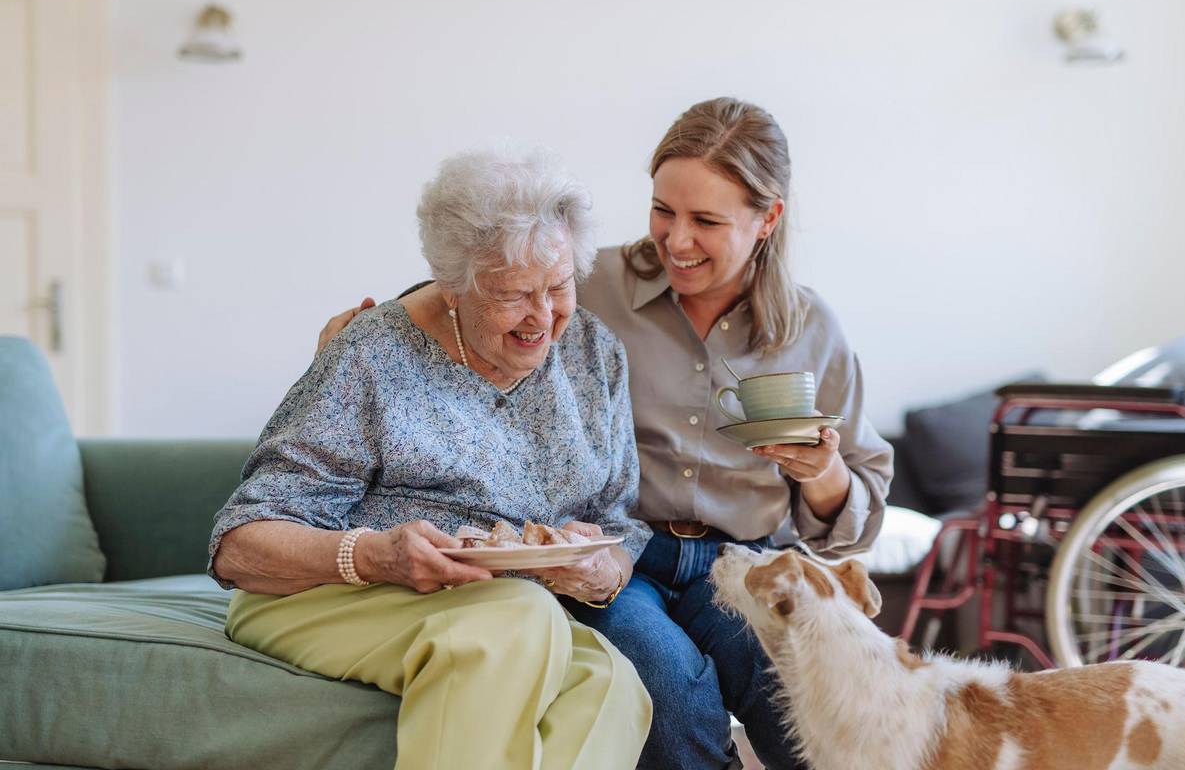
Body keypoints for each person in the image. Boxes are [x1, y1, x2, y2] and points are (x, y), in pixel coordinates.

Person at [320, 98, 893, 770]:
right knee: (672, 697)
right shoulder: (589, 286)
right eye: (663, 211)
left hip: (745, 560)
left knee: (807, 694)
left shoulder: (813, 330)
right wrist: (359, 338)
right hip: (619, 557)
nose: (676, 241)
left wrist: (818, 474)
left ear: (768, 218)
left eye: (706, 221)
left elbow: (860, 513)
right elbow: (474, 292)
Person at [210, 145, 652, 770]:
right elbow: (238, 546)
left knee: (610, 684)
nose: (543, 316)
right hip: (328, 592)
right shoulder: (373, 353)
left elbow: (619, 519)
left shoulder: (593, 354)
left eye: (559, 287)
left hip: (497, 605)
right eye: (514, 295)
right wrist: (374, 554)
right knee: (517, 621)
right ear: (454, 286)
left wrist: (600, 564)